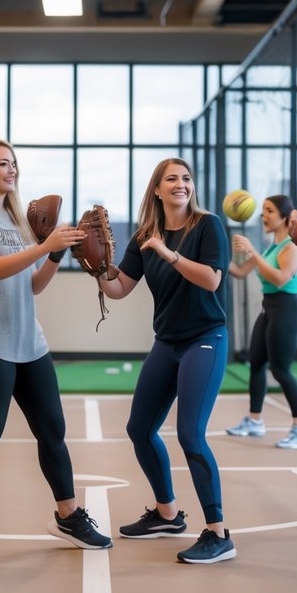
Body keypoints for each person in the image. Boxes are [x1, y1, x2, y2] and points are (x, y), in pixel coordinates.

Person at [0, 138, 112, 574]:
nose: (12, 171)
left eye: (15, 164)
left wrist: (55, 253)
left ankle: (68, 516)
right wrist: (45, 242)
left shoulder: (14, 217)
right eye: (3, 164)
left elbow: (31, 284)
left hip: (30, 342)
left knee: (53, 431)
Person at [97, 157, 236, 564]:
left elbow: (211, 279)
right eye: (171, 178)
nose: (181, 184)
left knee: (191, 434)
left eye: (186, 178)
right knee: (139, 429)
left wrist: (167, 252)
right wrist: (94, 266)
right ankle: (167, 514)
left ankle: (218, 532)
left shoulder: (207, 225)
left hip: (205, 338)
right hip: (168, 342)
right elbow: (118, 288)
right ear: (156, 189)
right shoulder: (145, 234)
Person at [225, 194, 297, 449]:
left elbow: (281, 279)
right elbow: (240, 272)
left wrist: (252, 250)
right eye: (263, 211)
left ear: (285, 217)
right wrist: (217, 254)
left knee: (280, 369)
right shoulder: (269, 249)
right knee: (256, 363)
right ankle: (255, 421)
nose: (263, 215)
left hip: (289, 310)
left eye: (269, 211)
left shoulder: (292, 246)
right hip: (270, 310)